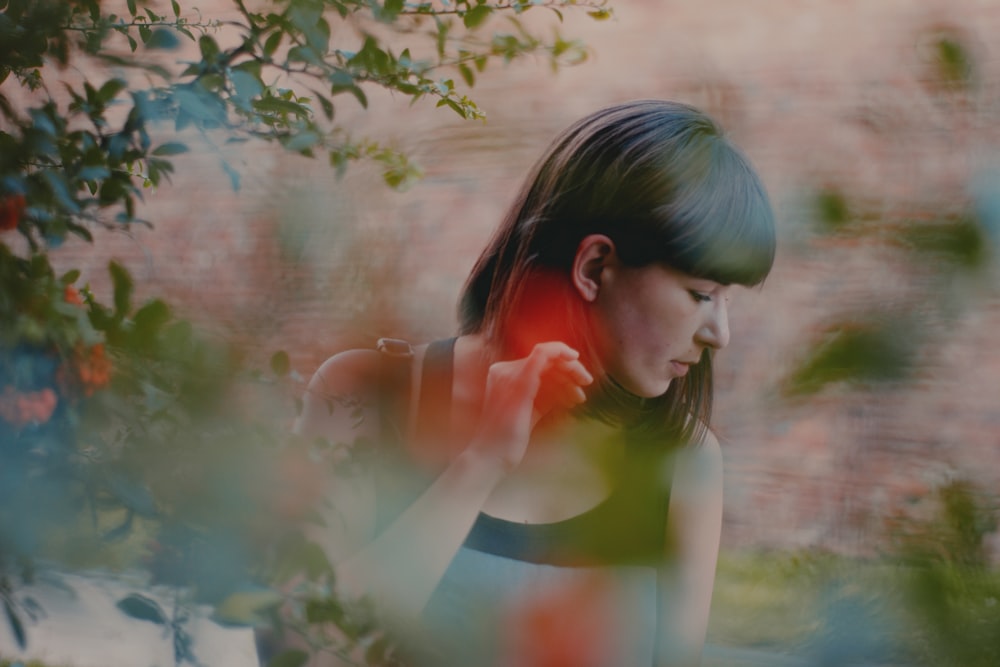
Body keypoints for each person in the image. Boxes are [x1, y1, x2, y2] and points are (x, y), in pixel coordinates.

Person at [294, 100, 776, 666]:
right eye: (701, 295)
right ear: (595, 267)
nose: (720, 334)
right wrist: (480, 462)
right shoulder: (362, 395)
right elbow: (304, 651)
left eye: (727, 300)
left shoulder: (685, 461)